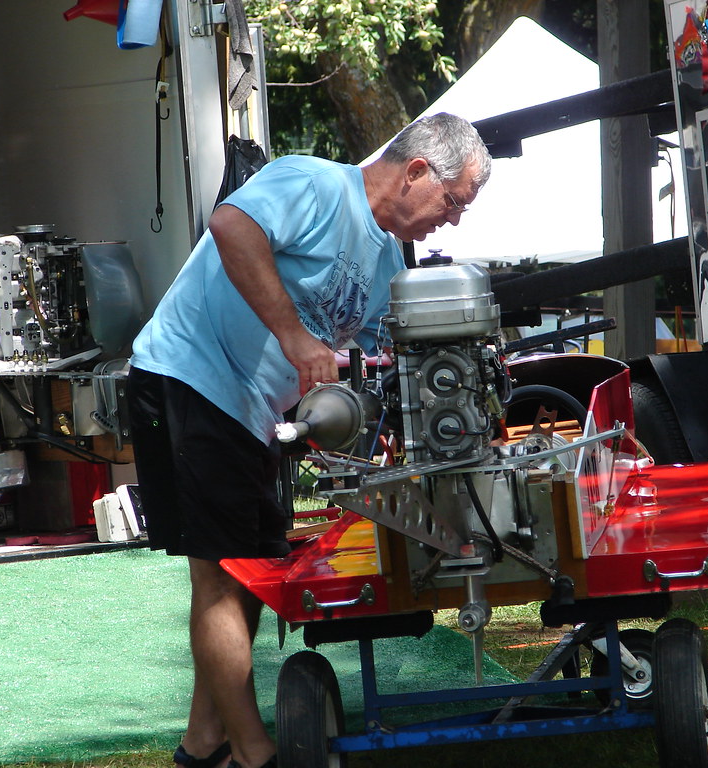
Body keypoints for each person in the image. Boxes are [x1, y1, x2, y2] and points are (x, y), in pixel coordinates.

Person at [126, 112, 492, 768]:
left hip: (254, 415)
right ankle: (255, 753)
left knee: (251, 571)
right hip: (188, 378)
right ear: (416, 171)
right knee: (220, 574)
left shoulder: (388, 259)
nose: (455, 220)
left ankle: (203, 743)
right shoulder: (314, 183)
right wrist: (297, 338)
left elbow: (386, 366)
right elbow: (230, 227)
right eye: (453, 201)